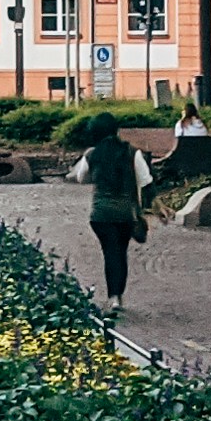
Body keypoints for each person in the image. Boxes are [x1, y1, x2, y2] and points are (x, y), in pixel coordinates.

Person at [71, 118, 154, 307]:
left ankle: (113, 297)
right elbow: (146, 180)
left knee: (110, 252)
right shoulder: (132, 153)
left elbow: (81, 177)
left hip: (100, 214)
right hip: (125, 214)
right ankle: (117, 295)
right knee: (120, 252)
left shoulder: (92, 154)